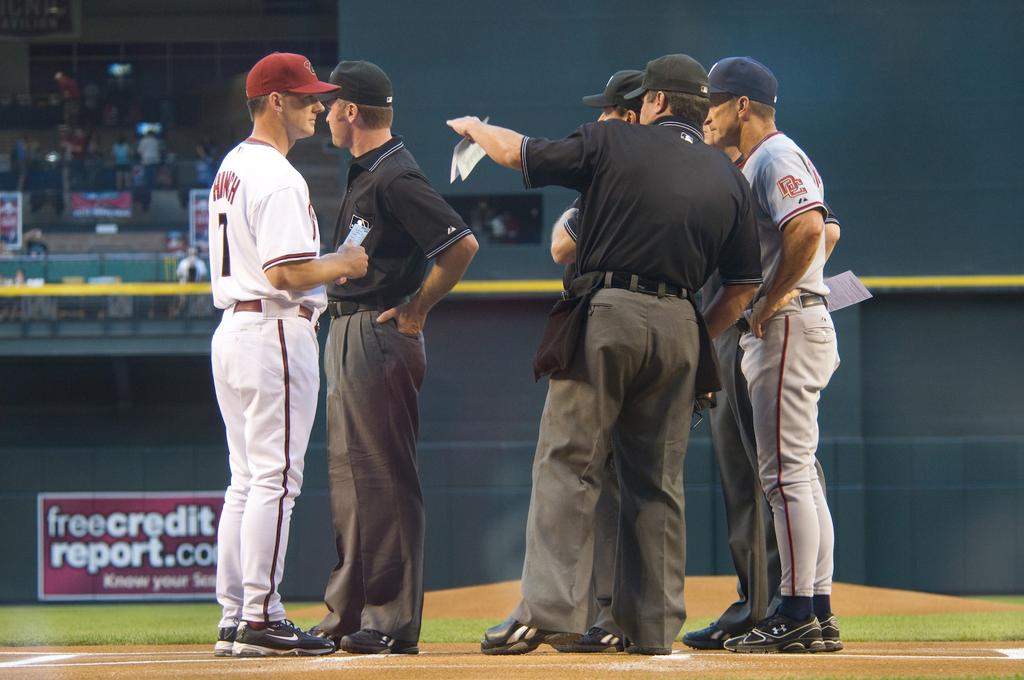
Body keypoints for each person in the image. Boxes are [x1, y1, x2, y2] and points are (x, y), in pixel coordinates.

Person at [448, 52, 762, 655]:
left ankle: (549, 610)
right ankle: (653, 627)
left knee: (569, 462)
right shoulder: (729, 176)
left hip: (609, 312)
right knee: (658, 483)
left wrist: (476, 129)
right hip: (680, 324)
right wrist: (697, 333)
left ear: (657, 102)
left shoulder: (616, 141)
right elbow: (743, 285)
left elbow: (520, 153)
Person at [310, 60, 478, 656]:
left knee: (384, 481)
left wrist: (417, 309)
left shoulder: (394, 176)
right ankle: (348, 613)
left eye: (332, 104)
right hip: (351, 331)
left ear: (351, 111)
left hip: (378, 332)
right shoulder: (370, 173)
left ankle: (391, 621)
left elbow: (461, 245)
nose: (326, 112)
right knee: (352, 483)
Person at [207, 51, 369, 658]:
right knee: (275, 479)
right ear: (275, 101)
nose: (317, 105)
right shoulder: (277, 175)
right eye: (305, 98)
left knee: (246, 481)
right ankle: (260, 614)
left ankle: (235, 616)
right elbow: (284, 273)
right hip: (272, 327)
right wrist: (344, 264)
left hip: (235, 332)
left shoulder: (232, 166)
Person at [702, 56, 841, 654]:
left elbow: (811, 228)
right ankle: (818, 609)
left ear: (741, 106)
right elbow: (825, 231)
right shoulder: (766, 158)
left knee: (783, 475)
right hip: (799, 316)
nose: (704, 116)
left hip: (786, 323)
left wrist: (768, 300)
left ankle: (797, 612)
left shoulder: (775, 154)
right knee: (801, 475)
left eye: (712, 103)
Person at [546, 68, 643, 655]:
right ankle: (618, 614)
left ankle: (607, 614)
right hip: (673, 331)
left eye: (609, 111)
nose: (601, 119)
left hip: (614, 327)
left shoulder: (615, 171)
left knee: (601, 475)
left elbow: (561, 244)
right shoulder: (691, 165)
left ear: (630, 115)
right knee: (636, 481)